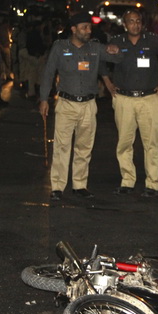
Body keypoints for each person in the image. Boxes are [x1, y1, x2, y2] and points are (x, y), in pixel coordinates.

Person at [39, 12, 122, 201]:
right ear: (73, 29)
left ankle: (80, 185)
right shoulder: (60, 47)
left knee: (84, 147)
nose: (88, 30)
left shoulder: (95, 47)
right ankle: (58, 186)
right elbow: (49, 72)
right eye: (84, 27)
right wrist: (44, 99)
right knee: (62, 147)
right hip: (66, 103)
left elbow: (116, 60)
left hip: (89, 105)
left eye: (89, 27)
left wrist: (116, 51)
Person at [103, 9, 158, 197]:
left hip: (149, 99)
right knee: (124, 143)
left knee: (151, 143)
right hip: (124, 100)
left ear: (142, 23)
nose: (134, 24)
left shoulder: (152, 40)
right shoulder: (117, 42)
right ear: (124, 24)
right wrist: (107, 82)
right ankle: (127, 181)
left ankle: (152, 184)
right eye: (130, 21)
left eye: (137, 21)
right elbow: (101, 61)